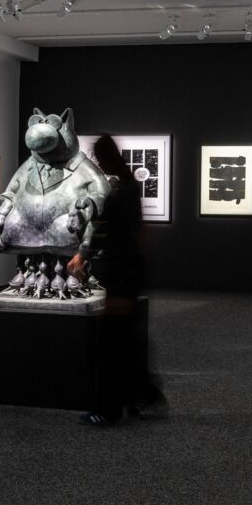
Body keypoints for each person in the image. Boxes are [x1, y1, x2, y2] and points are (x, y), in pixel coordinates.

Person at [79, 134, 167, 426]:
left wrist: (89, 254)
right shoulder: (126, 187)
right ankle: (141, 395)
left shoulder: (123, 191)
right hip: (125, 272)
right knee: (125, 340)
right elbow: (131, 231)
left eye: (98, 157)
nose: (97, 163)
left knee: (111, 344)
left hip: (122, 274)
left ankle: (110, 408)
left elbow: (117, 231)